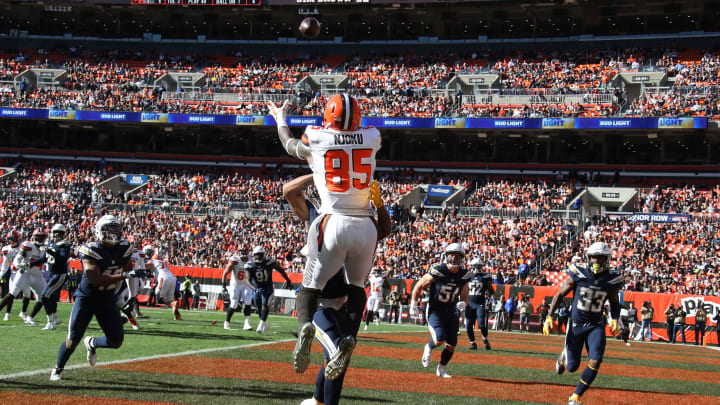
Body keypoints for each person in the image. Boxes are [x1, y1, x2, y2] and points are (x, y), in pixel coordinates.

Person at [267, 95, 382, 374]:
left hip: (332, 219)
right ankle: (349, 336)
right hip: (366, 224)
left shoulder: (316, 135)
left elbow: (289, 144)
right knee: (357, 288)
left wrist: (281, 119)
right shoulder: (372, 135)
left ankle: (306, 325)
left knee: (309, 288)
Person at [285, 173, 390, 405]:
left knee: (338, 357)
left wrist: (379, 205)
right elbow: (289, 191)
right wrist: (317, 173)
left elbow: (383, 231)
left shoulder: (362, 217)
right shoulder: (318, 211)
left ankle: (317, 400)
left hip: (344, 300)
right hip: (321, 300)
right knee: (337, 354)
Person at [50, 215, 146, 381]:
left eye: (116, 230)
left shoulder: (124, 248)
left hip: (107, 298)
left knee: (116, 341)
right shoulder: (91, 249)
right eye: (109, 231)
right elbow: (96, 279)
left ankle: (93, 343)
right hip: (87, 298)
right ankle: (58, 368)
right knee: (73, 340)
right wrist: (124, 275)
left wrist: (132, 295)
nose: (113, 234)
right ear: (99, 231)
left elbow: (130, 270)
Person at [542, 241, 623, 405]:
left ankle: (576, 396)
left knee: (596, 359)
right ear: (588, 258)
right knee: (572, 367)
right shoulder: (579, 273)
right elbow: (559, 295)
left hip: (596, 325)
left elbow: (614, 302)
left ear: (606, 260)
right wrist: (549, 316)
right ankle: (564, 357)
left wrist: (614, 318)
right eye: (593, 258)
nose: (596, 262)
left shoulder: (611, 279)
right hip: (576, 324)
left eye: (600, 258)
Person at [410, 243, 471, 378]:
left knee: (451, 345)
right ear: (446, 256)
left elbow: (465, 296)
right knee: (439, 339)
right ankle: (428, 347)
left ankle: (441, 369)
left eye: (457, 256)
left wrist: (464, 303)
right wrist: (413, 303)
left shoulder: (464, 274)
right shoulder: (439, 270)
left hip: (451, 312)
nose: (454, 259)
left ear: (461, 258)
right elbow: (418, 286)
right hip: (435, 310)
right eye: (451, 256)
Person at [25, 224, 72, 330]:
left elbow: (62, 259)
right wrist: (29, 264)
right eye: (56, 232)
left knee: (44, 296)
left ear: (63, 234)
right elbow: (43, 259)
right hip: (51, 274)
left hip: (59, 274)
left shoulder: (64, 244)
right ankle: (55, 318)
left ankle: (51, 322)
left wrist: (50, 251)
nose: (57, 234)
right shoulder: (50, 243)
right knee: (51, 298)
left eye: (60, 233)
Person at [1, 229, 47, 323]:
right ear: (34, 237)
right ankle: (8, 313)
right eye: (39, 236)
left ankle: (30, 317)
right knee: (12, 293)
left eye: (42, 237)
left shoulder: (46, 248)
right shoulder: (27, 245)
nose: (41, 238)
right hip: (24, 273)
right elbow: (17, 259)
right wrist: (18, 265)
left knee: (43, 296)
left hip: (37, 275)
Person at [245, 245, 293, 333]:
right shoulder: (250, 265)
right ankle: (265, 323)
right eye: (258, 254)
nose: (259, 256)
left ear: (264, 254)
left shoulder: (269, 262)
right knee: (258, 308)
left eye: (261, 254)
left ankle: (261, 325)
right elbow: (247, 281)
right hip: (258, 288)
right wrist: (254, 289)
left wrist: (288, 280)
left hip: (268, 288)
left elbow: (280, 270)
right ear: (254, 255)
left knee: (264, 304)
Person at [221, 247, 254, 330]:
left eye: (244, 251)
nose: (242, 253)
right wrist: (224, 286)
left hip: (246, 283)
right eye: (241, 251)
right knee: (234, 304)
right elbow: (225, 273)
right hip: (235, 284)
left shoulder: (251, 259)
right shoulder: (235, 260)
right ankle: (227, 322)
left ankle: (247, 323)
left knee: (248, 301)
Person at [145, 246, 181, 320]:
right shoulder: (163, 262)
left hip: (163, 279)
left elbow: (146, 266)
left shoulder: (152, 261)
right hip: (172, 278)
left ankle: (173, 304)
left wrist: (139, 266)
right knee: (170, 300)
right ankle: (178, 316)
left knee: (159, 297)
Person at [465, 257, 493, 350]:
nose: (478, 267)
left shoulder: (485, 277)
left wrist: (489, 296)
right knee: (469, 324)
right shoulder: (468, 276)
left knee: (481, 324)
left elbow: (491, 290)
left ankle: (485, 339)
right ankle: (473, 343)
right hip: (470, 304)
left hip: (479, 303)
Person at [0, 230, 20, 320]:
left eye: (13, 238)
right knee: (11, 293)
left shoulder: (22, 247)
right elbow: (4, 265)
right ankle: (8, 313)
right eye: (10, 239)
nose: (11, 240)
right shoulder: (6, 249)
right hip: (14, 274)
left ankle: (24, 313)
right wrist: (1, 275)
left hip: (26, 273)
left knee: (27, 293)